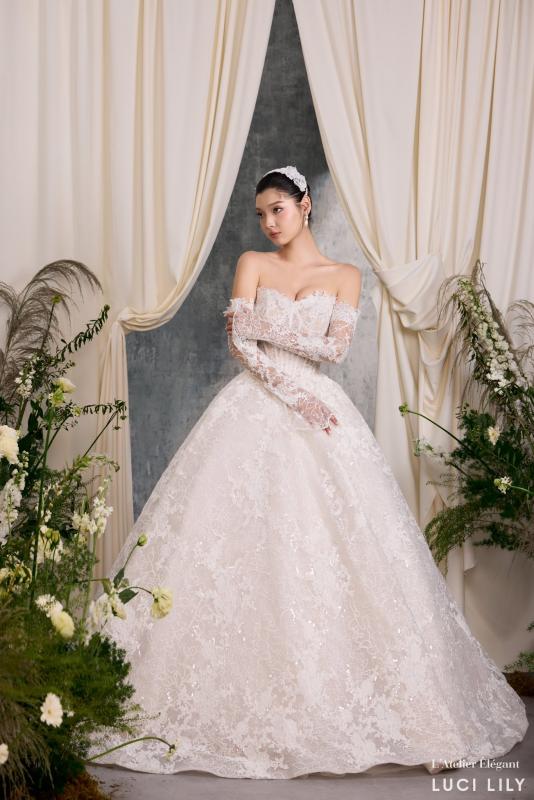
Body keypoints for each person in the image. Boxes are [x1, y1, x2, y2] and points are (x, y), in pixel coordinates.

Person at [91, 165, 528, 780]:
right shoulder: (252, 263)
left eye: (279, 209)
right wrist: (292, 390)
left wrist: (262, 329)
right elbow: (240, 347)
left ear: (305, 206)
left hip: (324, 415)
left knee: (351, 550)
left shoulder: (345, 275)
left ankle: (420, 716)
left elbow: (334, 349)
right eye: (261, 214)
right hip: (260, 406)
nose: (269, 223)